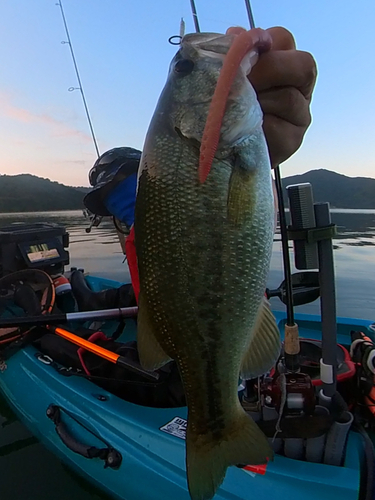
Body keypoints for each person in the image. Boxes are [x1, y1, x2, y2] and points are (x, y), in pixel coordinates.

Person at [71, 26, 317, 310]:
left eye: (127, 186)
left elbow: (207, 217)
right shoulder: (142, 240)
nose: (122, 207)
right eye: (111, 203)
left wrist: (257, 156)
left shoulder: (150, 232)